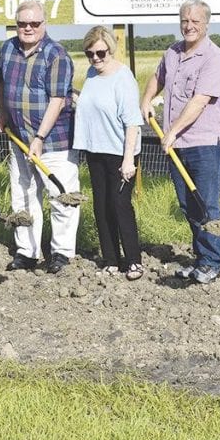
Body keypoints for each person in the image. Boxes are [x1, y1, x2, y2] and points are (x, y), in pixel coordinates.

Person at [140, 0, 220, 284]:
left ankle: (212, 262)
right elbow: (158, 77)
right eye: (185, 20)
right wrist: (145, 100)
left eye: (195, 21)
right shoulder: (172, 52)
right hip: (176, 144)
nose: (189, 26)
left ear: (206, 24)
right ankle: (200, 259)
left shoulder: (215, 58)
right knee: (187, 204)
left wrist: (172, 131)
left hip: (203, 142)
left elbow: (200, 100)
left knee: (206, 204)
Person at [0, 0, 79, 274]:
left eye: (34, 23)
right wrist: (3, 113)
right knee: (23, 197)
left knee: (60, 195)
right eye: (22, 24)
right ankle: (26, 251)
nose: (28, 28)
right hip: (19, 138)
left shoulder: (57, 55)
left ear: (44, 24)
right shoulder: (8, 49)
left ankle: (61, 253)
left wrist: (40, 137)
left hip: (53, 141)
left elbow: (57, 100)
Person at [73, 26, 144, 280]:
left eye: (100, 53)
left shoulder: (123, 78)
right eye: (89, 54)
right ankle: (111, 259)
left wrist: (128, 161)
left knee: (120, 205)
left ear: (110, 50)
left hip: (119, 152)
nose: (95, 58)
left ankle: (134, 260)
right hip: (95, 150)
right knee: (101, 207)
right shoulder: (91, 75)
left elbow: (132, 122)